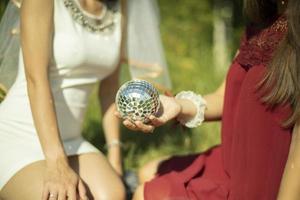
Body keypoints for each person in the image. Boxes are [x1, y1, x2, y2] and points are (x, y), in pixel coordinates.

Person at [120, 0, 300, 199]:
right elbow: (224, 98)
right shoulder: (261, 26)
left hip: (266, 180)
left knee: (144, 194)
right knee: (148, 172)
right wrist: (178, 106)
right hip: (232, 159)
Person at [0, 0, 171, 199]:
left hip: (72, 139)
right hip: (16, 135)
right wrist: (57, 163)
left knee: (114, 194)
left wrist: (115, 157)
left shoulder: (120, 7)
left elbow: (109, 89)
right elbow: (36, 79)